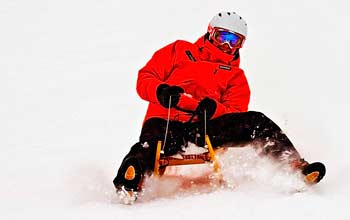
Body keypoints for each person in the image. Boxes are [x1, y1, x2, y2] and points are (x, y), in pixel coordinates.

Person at [113, 12, 326, 199]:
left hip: (205, 128)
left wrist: (215, 109)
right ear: (210, 32)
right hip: (166, 120)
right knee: (149, 147)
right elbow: (146, 77)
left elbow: (236, 110)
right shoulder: (179, 50)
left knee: (256, 121)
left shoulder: (235, 76)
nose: (228, 45)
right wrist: (161, 91)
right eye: (223, 37)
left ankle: (294, 167)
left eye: (235, 41)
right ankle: (130, 178)